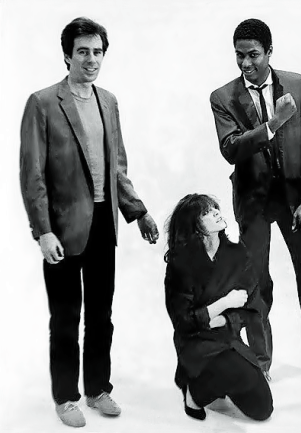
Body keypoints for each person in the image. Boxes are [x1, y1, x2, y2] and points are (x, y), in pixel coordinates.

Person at [19, 17, 159, 428]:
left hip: (103, 223)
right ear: (67, 56)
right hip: (62, 228)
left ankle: (98, 389)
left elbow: (117, 168)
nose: (91, 59)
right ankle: (66, 397)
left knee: (101, 314)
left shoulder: (108, 101)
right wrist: (43, 231)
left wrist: (138, 212)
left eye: (97, 52)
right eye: (83, 52)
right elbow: (32, 174)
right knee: (65, 318)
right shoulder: (43, 102)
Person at [210, 18, 301, 386]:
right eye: (239, 55)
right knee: (257, 283)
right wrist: (273, 124)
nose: (245, 63)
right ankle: (259, 363)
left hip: (294, 201)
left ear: (269, 52)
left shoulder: (297, 84)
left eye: (253, 55)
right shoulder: (222, 97)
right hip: (252, 201)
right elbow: (231, 150)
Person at [163, 194, 273, 421]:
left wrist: (222, 320)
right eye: (206, 212)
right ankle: (194, 395)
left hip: (227, 337)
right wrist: (224, 303)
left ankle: (220, 381)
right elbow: (182, 321)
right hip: (196, 343)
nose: (216, 212)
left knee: (263, 409)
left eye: (215, 208)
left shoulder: (237, 254)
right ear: (194, 226)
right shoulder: (180, 264)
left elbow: (252, 307)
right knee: (238, 373)